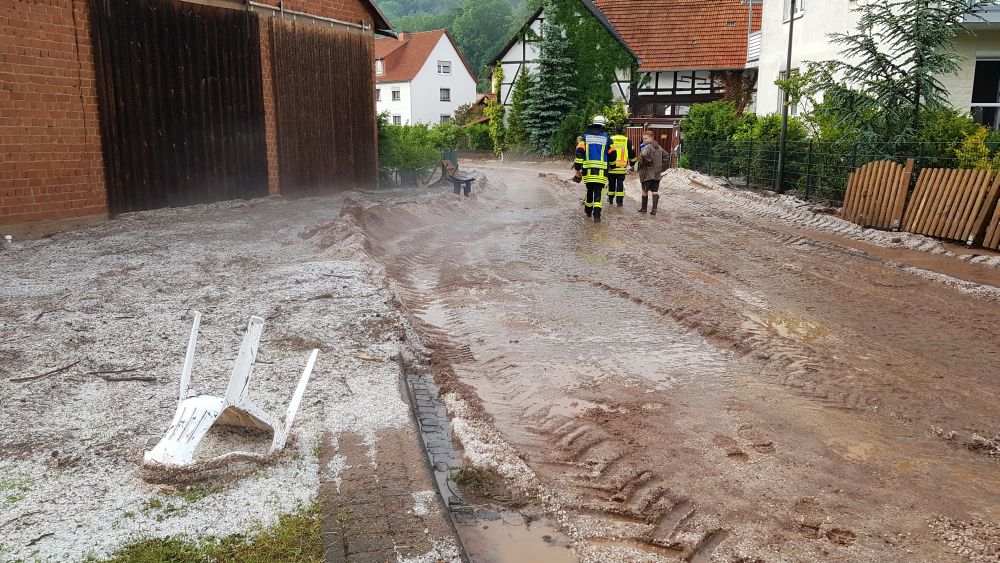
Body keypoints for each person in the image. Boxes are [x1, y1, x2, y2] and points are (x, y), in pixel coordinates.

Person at [574, 116, 617, 223]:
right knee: (598, 191)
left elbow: (579, 153)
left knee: (590, 190)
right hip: (602, 171)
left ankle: (588, 211)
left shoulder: (585, 138)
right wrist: (612, 165)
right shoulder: (607, 139)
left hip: (588, 171)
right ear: (603, 126)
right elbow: (613, 154)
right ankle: (597, 216)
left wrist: (578, 169)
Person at [636, 130, 669, 215]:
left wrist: (648, 161)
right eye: (643, 138)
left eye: (646, 138)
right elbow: (666, 156)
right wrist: (660, 164)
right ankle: (654, 210)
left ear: (652, 138)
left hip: (647, 173)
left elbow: (643, 154)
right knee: (655, 191)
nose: (644, 140)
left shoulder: (648, 147)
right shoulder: (659, 147)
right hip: (657, 173)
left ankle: (644, 209)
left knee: (644, 190)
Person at [607, 128, 636, 207]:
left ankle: (610, 200)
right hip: (622, 167)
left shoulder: (610, 139)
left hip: (611, 166)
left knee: (611, 183)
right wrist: (632, 163)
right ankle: (619, 202)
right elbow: (632, 153)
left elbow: (607, 152)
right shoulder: (627, 140)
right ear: (623, 132)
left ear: (615, 131)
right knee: (620, 183)